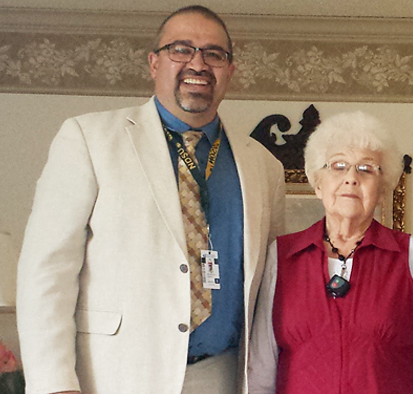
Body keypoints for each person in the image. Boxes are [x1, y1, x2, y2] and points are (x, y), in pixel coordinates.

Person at [16, 5, 285, 394]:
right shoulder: (89, 139)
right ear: (154, 63)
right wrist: (54, 385)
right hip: (114, 376)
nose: (198, 63)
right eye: (181, 49)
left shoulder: (263, 166)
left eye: (214, 54)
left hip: (223, 375)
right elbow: (46, 272)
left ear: (230, 70)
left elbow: (271, 290)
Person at [248, 111, 413, 394]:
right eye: (338, 166)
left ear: (382, 188)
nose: (351, 178)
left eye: (366, 169)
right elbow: (260, 371)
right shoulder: (280, 257)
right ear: (318, 183)